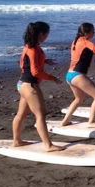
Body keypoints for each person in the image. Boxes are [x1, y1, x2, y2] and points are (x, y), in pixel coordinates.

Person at [13, 22, 64, 152]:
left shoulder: (29, 47)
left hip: (22, 84)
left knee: (21, 115)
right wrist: (52, 78)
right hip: (30, 85)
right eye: (47, 33)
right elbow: (35, 72)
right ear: (41, 34)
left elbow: (23, 63)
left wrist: (45, 61)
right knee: (40, 115)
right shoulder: (33, 49)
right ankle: (48, 145)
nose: (47, 36)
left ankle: (17, 141)